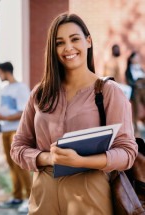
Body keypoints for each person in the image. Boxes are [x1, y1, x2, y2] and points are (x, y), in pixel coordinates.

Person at [10, 13, 138, 215]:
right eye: (60, 42)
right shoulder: (40, 93)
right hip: (44, 194)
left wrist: (81, 161)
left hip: (90, 193)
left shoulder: (108, 92)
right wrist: (47, 158)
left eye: (75, 39)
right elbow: (18, 147)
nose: (68, 48)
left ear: (88, 41)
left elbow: (127, 153)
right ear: (53, 49)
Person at [0, 62, 32, 213]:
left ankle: (30, 198)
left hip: (16, 130)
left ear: (5, 72)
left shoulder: (21, 88)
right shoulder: (4, 89)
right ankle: (17, 197)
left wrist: (5, 117)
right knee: (10, 164)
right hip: (4, 130)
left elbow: (24, 112)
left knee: (20, 165)